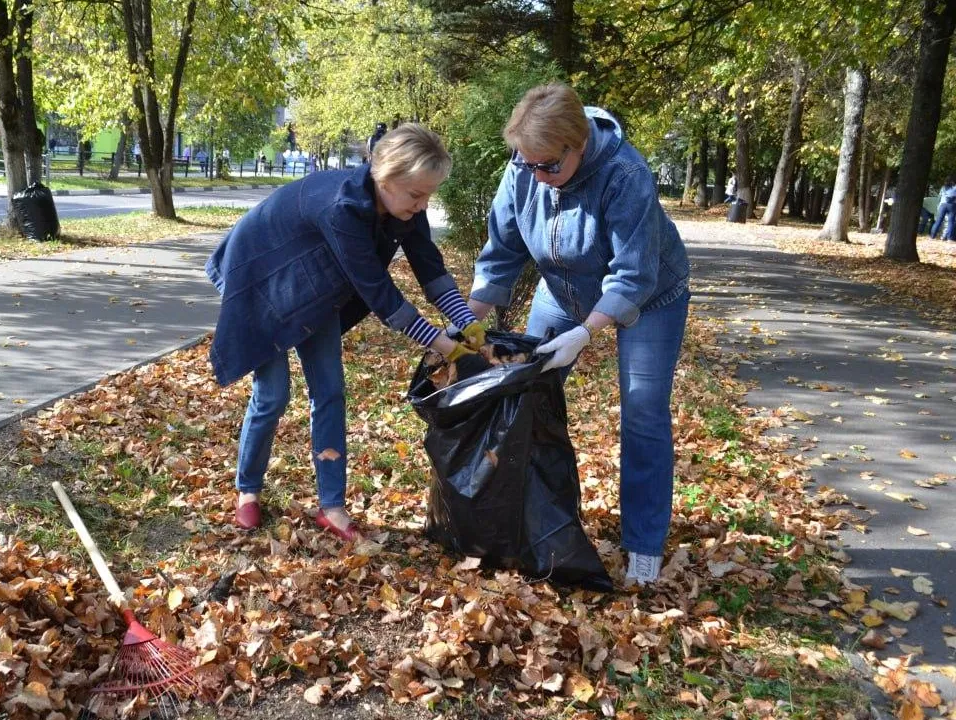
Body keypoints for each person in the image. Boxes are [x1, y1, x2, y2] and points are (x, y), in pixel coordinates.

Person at [205, 124, 489, 542]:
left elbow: (428, 266)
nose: (423, 204)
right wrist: (445, 345)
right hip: (261, 278)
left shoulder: (404, 205)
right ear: (386, 178)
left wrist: (468, 322)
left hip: (315, 287)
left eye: (429, 194)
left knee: (330, 390)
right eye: (416, 195)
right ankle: (247, 491)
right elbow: (379, 292)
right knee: (273, 393)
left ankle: (332, 506)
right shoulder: (342, 208)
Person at [465, 83, 690, 586]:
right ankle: (525, 517)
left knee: (642, 411)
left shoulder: (625, 174)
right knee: (523, 391)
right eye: (529, 165)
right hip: (562, 290)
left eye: (550, 166)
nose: (540, 178)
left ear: (579, 144)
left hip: (651, 296)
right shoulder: (526, 167)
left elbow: (633, 275)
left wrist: (586, 334)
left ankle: (644, 547)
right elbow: (501, 251)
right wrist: (469, 321)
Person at [931, 176, 955, 241]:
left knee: (938, 221)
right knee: (951, 222)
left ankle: (932, 237)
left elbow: (939, 197)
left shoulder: (943, 188)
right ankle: (949, 238)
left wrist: (938, 205)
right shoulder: (955, 188)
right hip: (952, 205)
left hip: (942, 205)